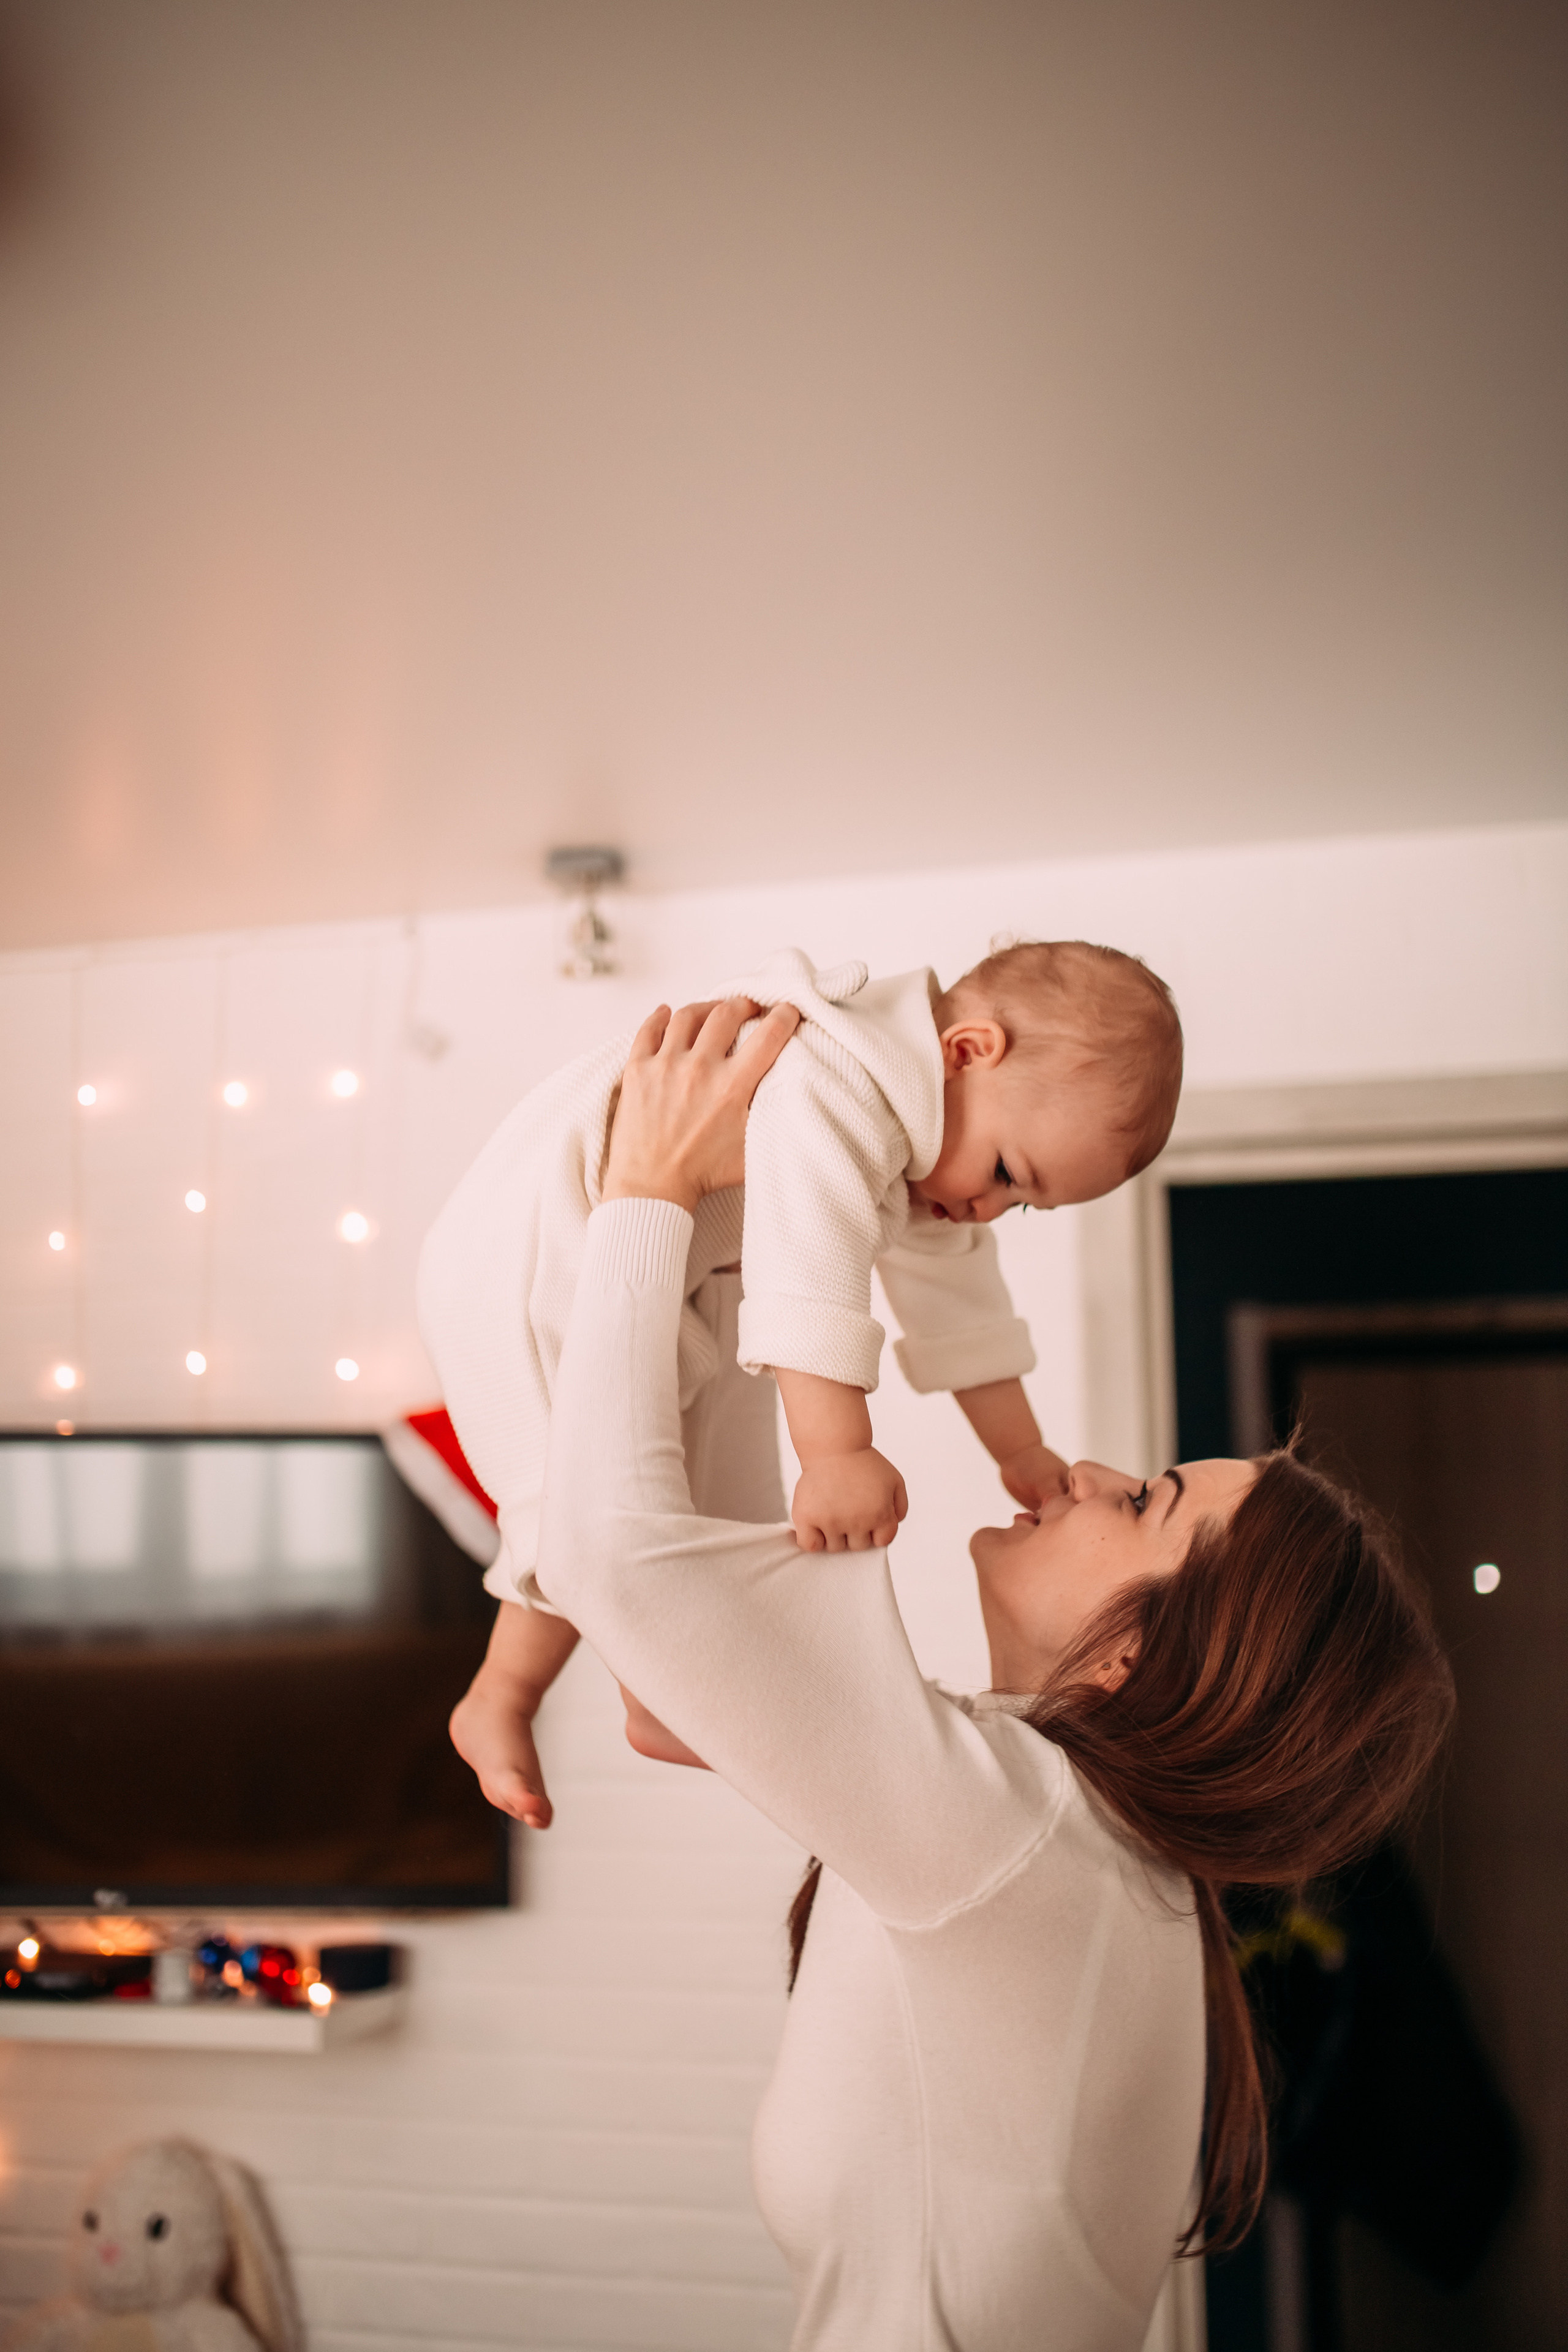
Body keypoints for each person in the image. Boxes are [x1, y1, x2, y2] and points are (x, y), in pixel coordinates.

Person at [453, 998, 1455, 2351]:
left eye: (1146, 1498)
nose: (1091, 1474)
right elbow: (675, 1682)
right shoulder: (1077, 1862)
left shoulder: (1021, 1842)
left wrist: (647, 1191)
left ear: (1136, 1656)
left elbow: (622, 1562)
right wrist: (736, 1268)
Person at [424, 938, 1182, 1767]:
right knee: (578, 1492)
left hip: (666, 1268)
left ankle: (625, 1693)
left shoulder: (926, 1142)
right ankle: (520, 1694)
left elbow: (963, 1304)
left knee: (700, 1496)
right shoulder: (841, 1078)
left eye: (1024, 1205)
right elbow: (809, 1267)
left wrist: (1022, 1450)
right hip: (532, 1252)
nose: (990, 1210)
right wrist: (837, 1452)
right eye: (1007, 1173)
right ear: (967, 1051)